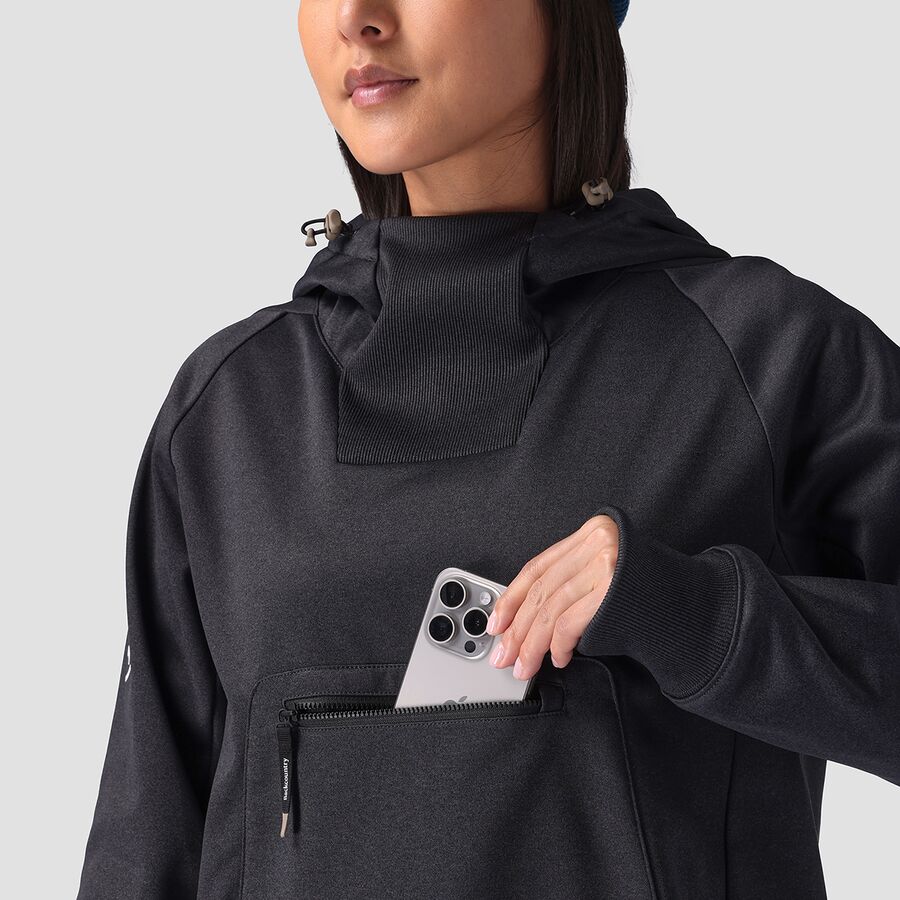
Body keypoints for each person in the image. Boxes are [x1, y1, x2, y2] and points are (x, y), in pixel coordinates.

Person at [76, 1, 900, 897]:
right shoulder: (232, 408)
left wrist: (698, 614)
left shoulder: (765, 357)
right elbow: (143, 845)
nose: (356, 17)